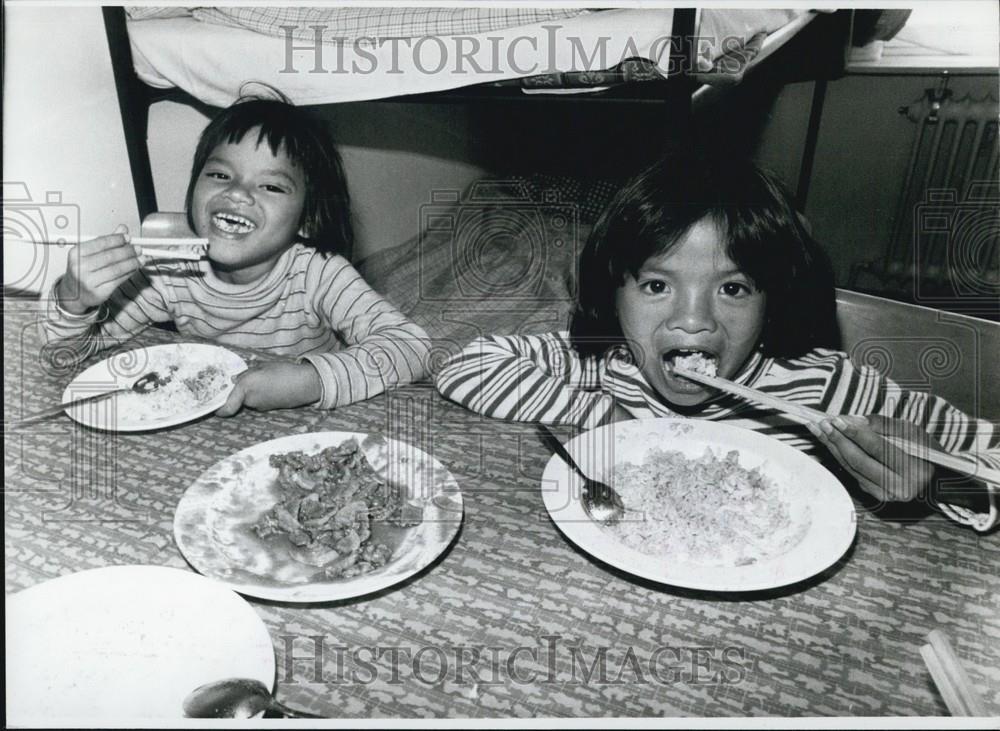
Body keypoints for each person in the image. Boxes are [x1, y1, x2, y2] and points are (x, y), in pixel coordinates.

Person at [435, 155, 998, 531]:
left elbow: (987, 457)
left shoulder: (827, 388)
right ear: (613, 295)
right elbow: (468, 364)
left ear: (774, 297)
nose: (693, 320)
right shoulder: (609, 364)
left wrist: (937, 480)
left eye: (733, 288)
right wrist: (603, 413)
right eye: (657, 285)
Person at [41, 96, 430, 414]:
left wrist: (309, 381)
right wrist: (74, 301)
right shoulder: (169, 271)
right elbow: (64, 358)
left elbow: (412, 347)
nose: (239, 193)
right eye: (221, 176)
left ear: (308, 220)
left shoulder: (318, 274)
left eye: (272, 187)